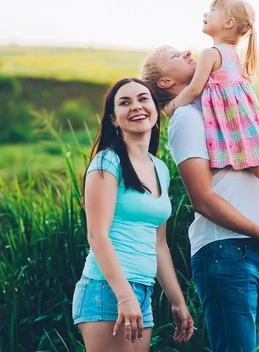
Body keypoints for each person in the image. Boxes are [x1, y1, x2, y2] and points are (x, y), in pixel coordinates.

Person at [141, 47, 259, 352]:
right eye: (176, 55)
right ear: (165, 82)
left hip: (257, 254)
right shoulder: (186, 118)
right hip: (225, 252)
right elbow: (202, 199)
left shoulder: (223, 108)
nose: (188, 51)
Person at [72, 78, 194, 351]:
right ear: (114, 120)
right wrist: (124, 296)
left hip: (142, 291)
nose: (136, 107)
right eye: (125, 103)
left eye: (143, 99)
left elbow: (158, 244)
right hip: (107, 290)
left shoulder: (159, 168)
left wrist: (177, 302)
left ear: (154, 108)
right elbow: (97, 235)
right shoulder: (108, 161)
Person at [163, 0, 259, 230]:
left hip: (235, 121)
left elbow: (195, 88)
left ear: (228, 23)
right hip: (251, 117)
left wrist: (172, 106)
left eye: (212, 10)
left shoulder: (211, 53)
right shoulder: (232, 53)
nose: (205, 14)